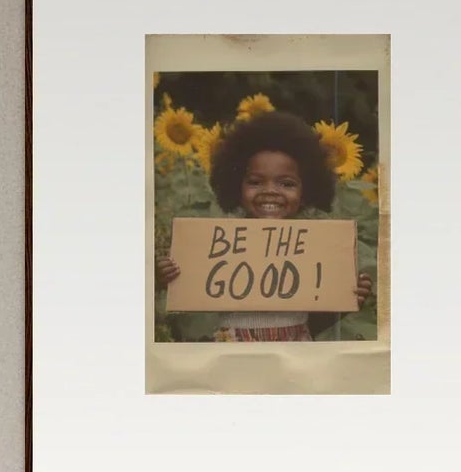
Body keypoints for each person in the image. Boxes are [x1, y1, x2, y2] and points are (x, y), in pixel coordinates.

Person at [157, 111, 374, 341]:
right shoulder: (219, 243)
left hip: (295, 349)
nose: (270, 191)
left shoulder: (315, 247)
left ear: (306, 191)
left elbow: (318, 314)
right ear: (236, 186)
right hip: (232, 350)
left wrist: (348, 297)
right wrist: (164, 277)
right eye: (255, 182)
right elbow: (184, 299)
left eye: (286, 183)